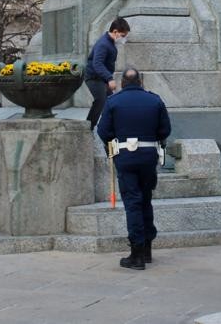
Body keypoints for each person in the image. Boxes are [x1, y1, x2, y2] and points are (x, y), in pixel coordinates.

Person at [97, 68, 171, 270]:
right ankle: (147, 248)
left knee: (133, 203)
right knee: (145, 200)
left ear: (123, 82)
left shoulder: (114, 101)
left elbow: (103, 131)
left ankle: (137, 253)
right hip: (148, 157)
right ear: (140, 81)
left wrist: (114, 145)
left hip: (125, 158)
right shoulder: (154, 100)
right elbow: (165, 129)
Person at [85, 17, 130, 130]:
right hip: (93, 78)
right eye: (123, 36)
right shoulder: (103, 44)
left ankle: (111, 127)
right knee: (100, 101)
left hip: (101, 78)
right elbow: (97, 64)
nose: (124, 39)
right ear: (115, 32)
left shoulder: (109, 43)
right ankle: (88, 127)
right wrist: (109, 79)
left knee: (111, 102)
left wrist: (107, 79)